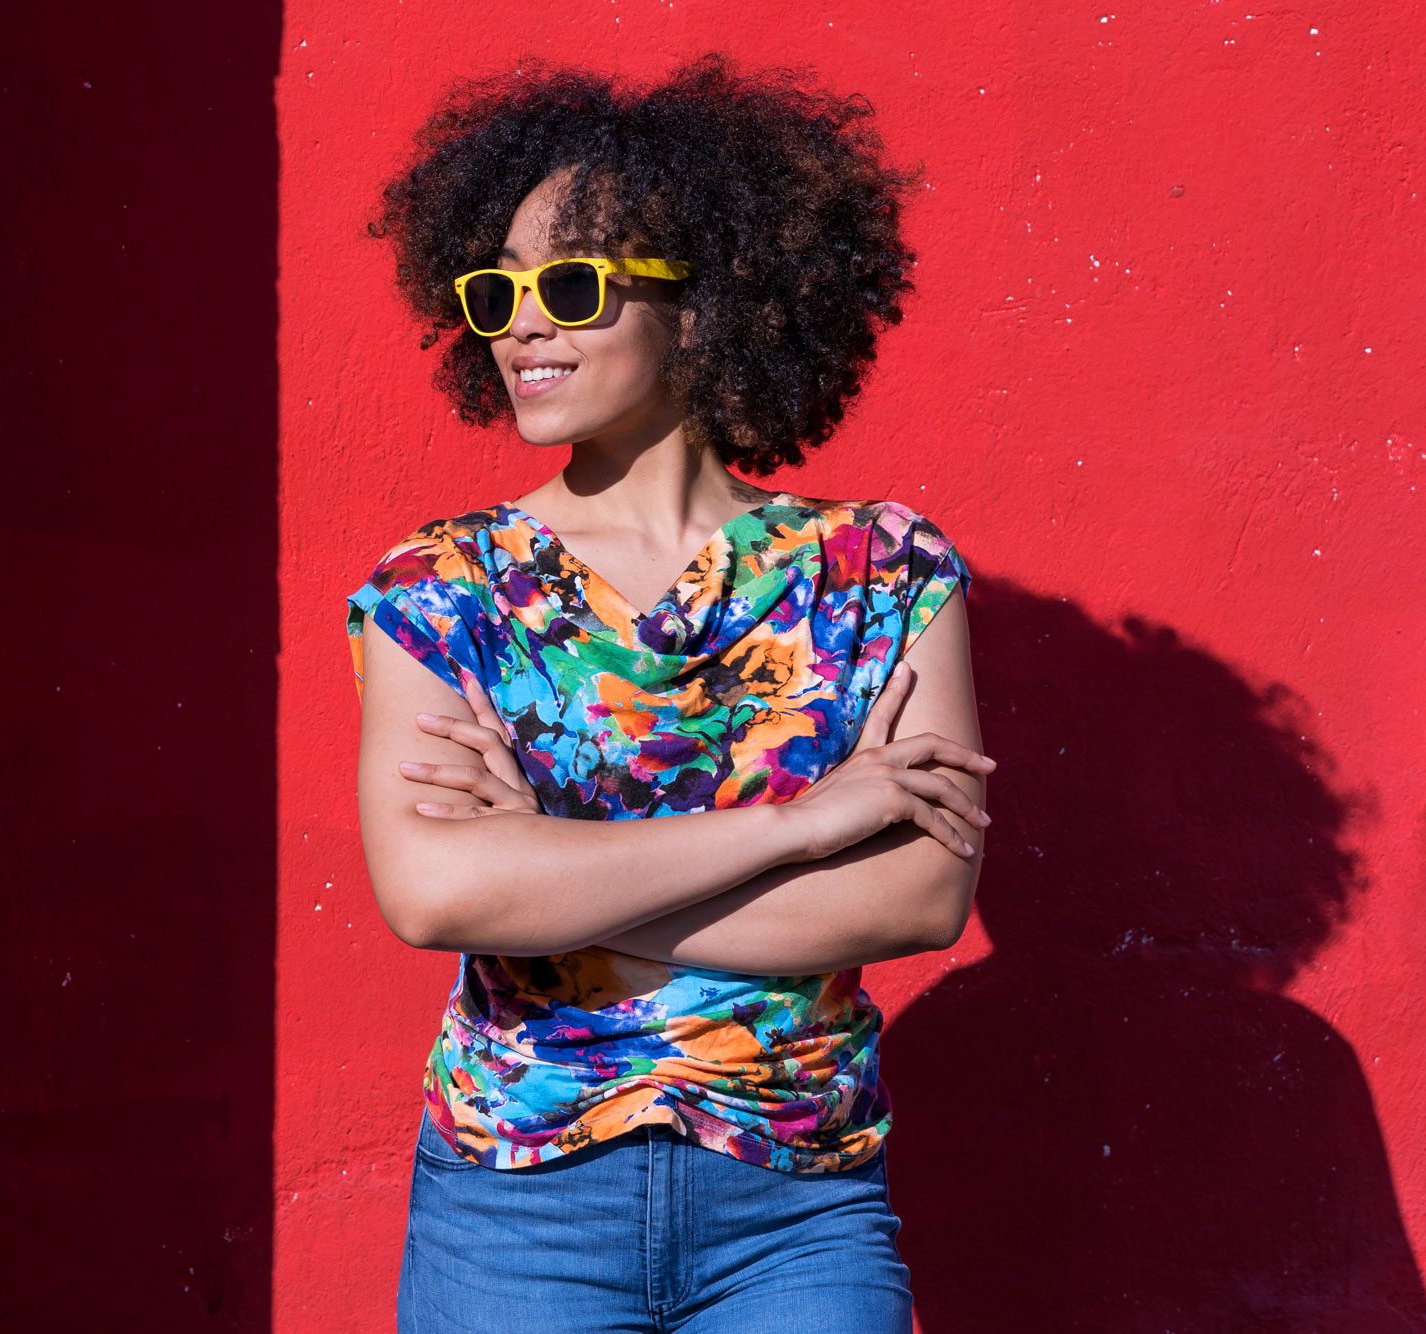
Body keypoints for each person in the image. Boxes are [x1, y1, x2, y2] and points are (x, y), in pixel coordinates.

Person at [344, 51, 992, 1334]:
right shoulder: (442, 586)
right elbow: (434, 894)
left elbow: (918, 895)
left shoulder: (880, 571)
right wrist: (798, 826)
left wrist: (553, 879)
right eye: (497, 291)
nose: (522, 326)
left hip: (797, 1208)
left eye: (569, 286)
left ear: (701, 307)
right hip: (515, 1204)